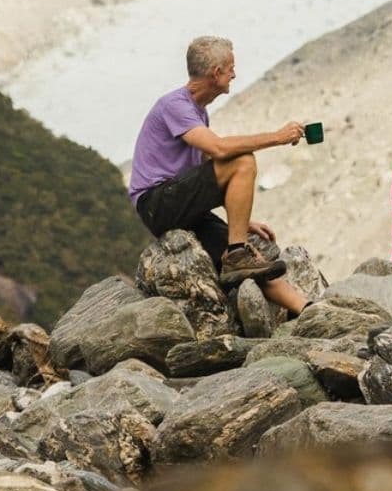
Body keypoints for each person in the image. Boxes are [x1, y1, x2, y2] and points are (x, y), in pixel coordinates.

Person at [128, 35, 309, 312]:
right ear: (216, 72)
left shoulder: (198, 113)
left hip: (180, 206)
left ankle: (307, 309)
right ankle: (236, 253)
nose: (234, 74)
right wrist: (278, 137)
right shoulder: (174, 105)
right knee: (243, 161)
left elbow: (209, 170)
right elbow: (219, 149)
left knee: (252, 261)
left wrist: (241, 221)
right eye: (230, 68)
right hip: (156, 203)